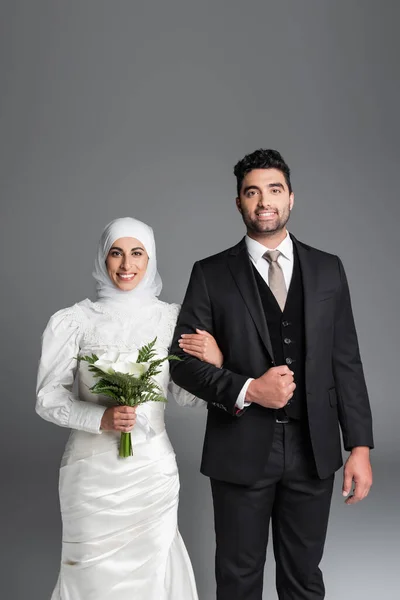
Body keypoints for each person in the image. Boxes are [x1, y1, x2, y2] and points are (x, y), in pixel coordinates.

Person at [172, 148, 374, 600]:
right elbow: (182, 363)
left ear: (291, 198)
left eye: (274, 190)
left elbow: (347, 361)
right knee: (239, 579)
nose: (264, 200)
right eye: (252, 192)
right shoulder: (210, 273)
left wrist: (358, 446)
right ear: (239, 203)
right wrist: (247, 388)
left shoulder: (327, 269)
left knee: (304, 578)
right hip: (239, 447)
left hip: (313, 449)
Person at [36, 217, 223, 600]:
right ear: (102, 258)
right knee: (88, 575)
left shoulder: (172, 319)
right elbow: (47, 398)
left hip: (151, 471)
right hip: (90, 475)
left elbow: (187, 396)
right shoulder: (73, 321)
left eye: (137, 253)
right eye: (116, 253)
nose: (126, 265)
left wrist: (216, 366)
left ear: (150, 258)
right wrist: (99, 417)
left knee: (153, 572)